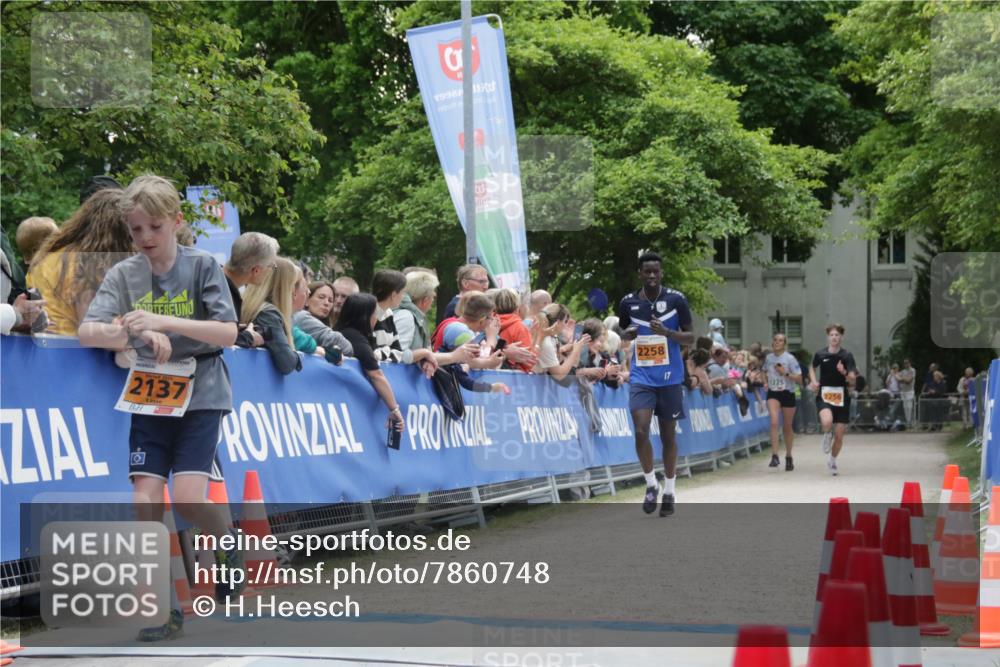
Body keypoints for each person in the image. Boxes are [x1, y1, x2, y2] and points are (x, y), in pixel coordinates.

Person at [77, 174, 244, 641]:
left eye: (154, 228)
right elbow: (88, 331)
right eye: (136, 231)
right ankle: (162, 610)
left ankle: (228, 538)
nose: (146, 239)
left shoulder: (202, 266)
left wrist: (162, 321)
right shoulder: (123, 274)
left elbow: (228, 332)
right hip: (150, 391)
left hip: (203, 387)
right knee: (145, 499)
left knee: (190, 499)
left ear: (175, 222)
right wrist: (133, 332)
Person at [618, 251, 694, 517]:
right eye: (647, 271)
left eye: (656, 271)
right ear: (640, 273)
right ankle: (651, 484)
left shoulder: (676, 299)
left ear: (661, 273)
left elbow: (691, 337)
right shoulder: (628, 302)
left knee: (668, 435)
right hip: (641, 376)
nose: (652, 276)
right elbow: (622, 332)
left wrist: (668, 333)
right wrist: (625, 334)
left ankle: (670, 490)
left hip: (670, 377)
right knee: (640, 430)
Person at [28, 189, 133, 336]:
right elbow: (95, 327)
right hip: (73, 350)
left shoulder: (52, 256)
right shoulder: (91, 264)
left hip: (42, 348)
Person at [335, 293, 407, 434]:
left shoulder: (344, 332)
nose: (377, 318)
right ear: (365, 316)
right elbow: (376, 375)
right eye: (375, 313)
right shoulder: (355, 338)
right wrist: (394, 409)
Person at [238, 257, 304, 375]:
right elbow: (287, 363)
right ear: (282, 286)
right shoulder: (268, 314)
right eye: (293, 283)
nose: (294, 290)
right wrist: (296, 356)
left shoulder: (245, 305)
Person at [808, 323, 858, 475]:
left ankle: (833, 460)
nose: (834, 337)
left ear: (841, 337)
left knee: (840, 436)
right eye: (832, 335)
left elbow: (853, 380)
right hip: (824, 394)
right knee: (827, 422)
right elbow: (811, 367)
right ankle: (826, 434)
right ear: (828, 337)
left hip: (842, 396)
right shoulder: (820, 354)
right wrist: (813, 381)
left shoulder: (846, 355)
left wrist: (844, 372)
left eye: (837, 335)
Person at [439, 291, 510, 394]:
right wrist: (491, 339)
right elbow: (474, 362)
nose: (492, 322)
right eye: (490, 318)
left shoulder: (459, 327)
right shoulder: (461, 331)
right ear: (481, 320)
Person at [371, 269, 438, 375]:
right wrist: (424, 354)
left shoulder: (388, 313)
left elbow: (397, 351)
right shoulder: (405, 316)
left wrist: (424, 356)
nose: (403, 297)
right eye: (402, 292)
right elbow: (396, 355)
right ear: (393, 295)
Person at [222, 232, 279, 348]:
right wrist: (248, 337)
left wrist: (235, 330)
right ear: (256, 270)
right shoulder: (220, 290)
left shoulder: (216, 280)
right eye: (272, 266)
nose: (271, 271)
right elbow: (211, 338)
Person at [764, 333, 802, 471]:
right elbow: (764, 371)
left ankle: (789, 455)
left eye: (780, 340)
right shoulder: (768, 358)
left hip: (788, 392)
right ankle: (774, 455)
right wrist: (764, 382)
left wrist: (785, 373)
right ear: (772, 342)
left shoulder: (790, 359)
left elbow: (800, 379)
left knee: (787, 426)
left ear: (784, 344)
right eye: (775, 340)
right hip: (773, 392)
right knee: (774, 421)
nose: (777, 342)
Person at [293, 281, 354, 360]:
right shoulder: (301, 317)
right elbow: (346, 347)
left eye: (330, 300)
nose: (326, 303)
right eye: (321, 297)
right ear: (307, 299)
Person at [394, 270, 438, 351]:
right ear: (425, 300)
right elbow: (398, 354)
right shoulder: (406, 317)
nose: (434, 298)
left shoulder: (411, 315)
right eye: (433, 296)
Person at [494, 288, 536, 372]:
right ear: (517, 307)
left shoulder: (489, 323)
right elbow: (530, 362)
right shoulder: (519, 327)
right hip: (513, 377)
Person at [897, 358, 916, 426]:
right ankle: (907, 422)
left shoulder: (912, 370)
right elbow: (898, 378)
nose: (906, 364)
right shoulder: (903, 371)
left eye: (907, 363)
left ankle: (910, 422)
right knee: (905, 407)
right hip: (903, 391)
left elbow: (909, 381)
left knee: (909, 407)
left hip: (909, 391)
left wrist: (903, 379)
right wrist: (904, 378)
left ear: (910, 363)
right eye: (905, 363)